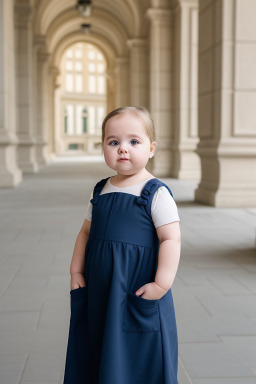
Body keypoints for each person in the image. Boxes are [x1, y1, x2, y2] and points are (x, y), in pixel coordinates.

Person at [63, 106, 181, 384]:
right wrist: (76, 272)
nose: (122, 149)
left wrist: (161, 284)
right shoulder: (101, 189)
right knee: (98, 344)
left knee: (137, 352)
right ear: (103, 146)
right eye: (113, 142)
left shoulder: (155, 193)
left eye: (134, 141)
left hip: (134, 289)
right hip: (101, 288)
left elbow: (170, 239)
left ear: (151, 148)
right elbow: (85, 233)